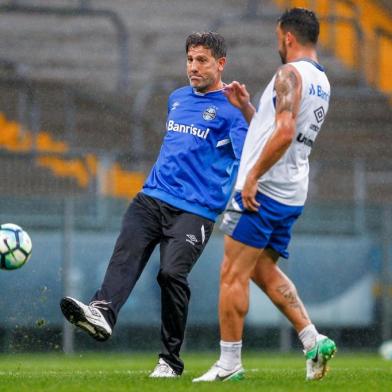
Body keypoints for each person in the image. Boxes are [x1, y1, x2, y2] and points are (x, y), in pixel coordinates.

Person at [60, 32, 248, 378]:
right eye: (190, 59)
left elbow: (247, 157)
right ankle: (102, 313)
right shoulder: (176, 99)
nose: (193, 67)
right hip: (152, 197)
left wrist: (245, 192)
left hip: (196, 209)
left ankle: (170, 362)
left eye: (202, 60)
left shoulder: (232, 111)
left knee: (171, 274)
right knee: (125, 257)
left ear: (221, 64)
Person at [193, 8, 336, 383]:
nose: (278, 45)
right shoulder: (321, 80)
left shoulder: (288, 74)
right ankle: (312, 339)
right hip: (291, 191)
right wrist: (247, 110)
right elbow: (282, 128)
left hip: (264, 190)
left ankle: (229, 364)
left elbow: (285, 132)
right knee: (260, 268)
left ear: (287, 37)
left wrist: (252, 176)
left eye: (278, 38)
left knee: (231, 273)